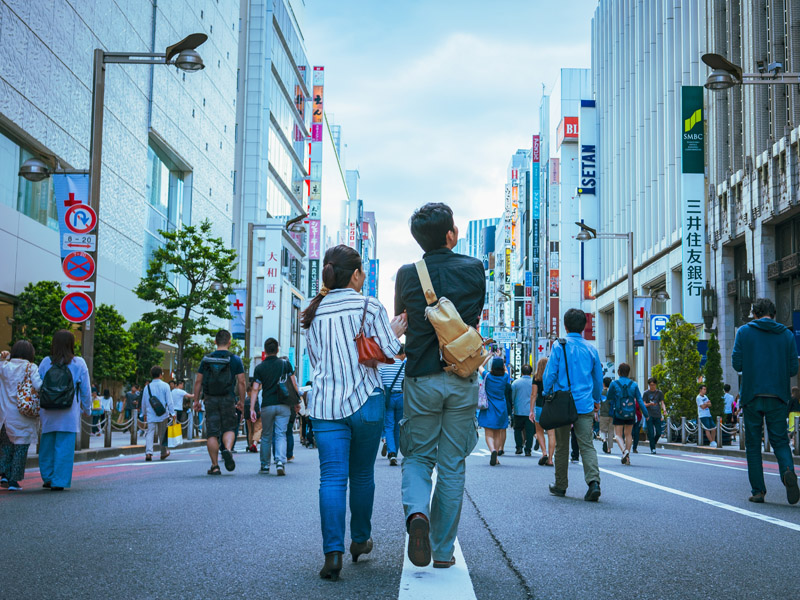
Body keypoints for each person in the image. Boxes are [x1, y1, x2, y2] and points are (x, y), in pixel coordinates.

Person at [302, 244, 405, 580]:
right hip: (366, 400)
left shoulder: (311, 311)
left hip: (325, 405)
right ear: (357, 274)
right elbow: (390, 352)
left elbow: (316, 362)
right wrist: (394, 329)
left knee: (331, 478)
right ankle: (360, 540)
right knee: (362, 476)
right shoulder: (369, 306)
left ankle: (332, 553)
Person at [395, 203, 485, 568]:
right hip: (461, 375)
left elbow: (402, 318)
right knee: (452, 464)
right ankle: (443, 552)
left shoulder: (405, 274)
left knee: (418, 455)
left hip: (420, 376)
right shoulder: (475, 268)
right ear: (451, 234)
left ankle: (417, 514)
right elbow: (476, 316)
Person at [731, 297, 800, 504]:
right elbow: (793, 369)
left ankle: (758, 491)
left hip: (751, 394)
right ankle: (788, 471)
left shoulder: (744, 332)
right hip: (778, 395)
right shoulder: (786, 335)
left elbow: (736, 364)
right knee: (780, 441)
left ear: (754, 314)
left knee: (753, 444)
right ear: (774, 314)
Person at [543, 309, 603, 501]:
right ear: (584, 326)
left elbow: (550, 374)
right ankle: (593, 483)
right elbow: (598, 379)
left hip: (563, 403)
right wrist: (596, 399)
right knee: (586, 445)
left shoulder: (559, 346)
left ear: (565, 325)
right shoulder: (591, 349)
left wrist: (547, 392)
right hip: (584, 404)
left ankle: (560, 485)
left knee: (562, 446)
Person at [38, 330, 91, 490]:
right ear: (71, 344)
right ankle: (59, 481)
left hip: (47, 411)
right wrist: (87, 409)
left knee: (47, 445)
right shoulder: (78, 363)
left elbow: (38, 386)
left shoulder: (46, 362)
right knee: (64, 448)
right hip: (69, 412)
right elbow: (86, 390)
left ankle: (48, 477)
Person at [193, 329, 247, 475]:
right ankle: (227, 450)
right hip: (228, 399)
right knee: (229, 428)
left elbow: (198, 381)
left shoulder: (206, 359)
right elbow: (241, 382)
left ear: (215, 342)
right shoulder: (235, 359)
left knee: (212, 433)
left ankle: (215, 466)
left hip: (210, 399)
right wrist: (241, 401)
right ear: (229, 342)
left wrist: (196, 400)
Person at [249, 339, 299, 476]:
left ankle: (265, 466)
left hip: (267, 405)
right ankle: (280, 462)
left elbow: (254, 389)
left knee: (266, 435)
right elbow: (293, 384)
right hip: (284, 405)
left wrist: (252, 408)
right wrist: (297, 401)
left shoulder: (259, 368)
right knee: (281, 434)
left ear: (265, 351)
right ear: (277, 349)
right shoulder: (285, 364)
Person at [0, 342, 42, 491]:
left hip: (5, 417)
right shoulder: (31, 367)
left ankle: (4, 474)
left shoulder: (4, 367)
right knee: (20, 448)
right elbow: (38, 386)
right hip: (23, 415)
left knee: (6, 446)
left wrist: (4, 356)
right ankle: (13, 481)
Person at [607, 363, 648, 465]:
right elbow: (640, 400)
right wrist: (646, 414)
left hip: (619, 412)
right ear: (628, 372)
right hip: (630, 413)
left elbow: (609, 397)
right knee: (628, 434)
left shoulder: (614, 384)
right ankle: (627, 456)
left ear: (619, 372)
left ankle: (625, 452)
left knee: (618, 435)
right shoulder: (634, 385)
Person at [478, 358, 512, 465]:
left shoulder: (487, 376)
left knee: (489, 433)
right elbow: (506, 369)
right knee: (498, 433)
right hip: (501, 407)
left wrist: (488, 356)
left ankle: (492, 450)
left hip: (489, 407)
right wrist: (501, 359)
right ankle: (496, 457)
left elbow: (479, 366)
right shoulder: (505, 377)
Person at [141, 366, 175, 461]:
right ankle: (163, 452)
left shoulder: (147, 387)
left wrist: (144, 414)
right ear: (160, 374)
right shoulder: (165, 386)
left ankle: (148, 453)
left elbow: (144, 402)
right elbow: (169, 401)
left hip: (151, 414)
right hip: (162, 414)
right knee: (162, 433)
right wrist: (172, 412)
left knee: (150, 433)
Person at [381, 346, 407, 466]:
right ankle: (394, 452)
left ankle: (392, 453)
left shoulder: (384, 366)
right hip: (401, 397)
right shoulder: (404, 366)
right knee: (398, 427)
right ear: (402, 353)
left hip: (388, 398)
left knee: (389, 426)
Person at [530, 357, 555, 466]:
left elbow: (533, 395)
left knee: (539, 431)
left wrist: (531, 410)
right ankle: (550, 459)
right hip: (551, 407)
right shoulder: (553, 377)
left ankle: (544, 452)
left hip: (540, 407)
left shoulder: (536, 377)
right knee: (551, 433)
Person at [512, 364, 535, 456]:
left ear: (521, 372)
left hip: (518, 410)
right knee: (530, 431)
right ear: (531, 373)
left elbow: (512, 396)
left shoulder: (515, 383)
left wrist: (513, 405)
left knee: (517, 429)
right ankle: (528, 449)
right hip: (531, 411)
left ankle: (519, 447)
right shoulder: (534, 383)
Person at [643, 377, 666, 454]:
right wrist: (650, 404)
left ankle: (653, 443)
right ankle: (653, 448)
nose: (652, 386)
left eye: (653, 385)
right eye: (651, 385)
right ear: (649, 385)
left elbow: (662, 403)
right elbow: (644, 404)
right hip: (649, 415)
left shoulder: (659, 393)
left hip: (657, 415)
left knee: (659, 432)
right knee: (651, 432)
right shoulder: (646, 393)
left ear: (656, 385)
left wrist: (664, 410)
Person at [599, 377, 614, 454]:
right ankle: (609, 449)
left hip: (603, 414)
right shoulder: (612, 392)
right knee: (611, 432)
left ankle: (604, 440)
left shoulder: (601, 392)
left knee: (603, 430)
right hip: (612, 414)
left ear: (603, 383)